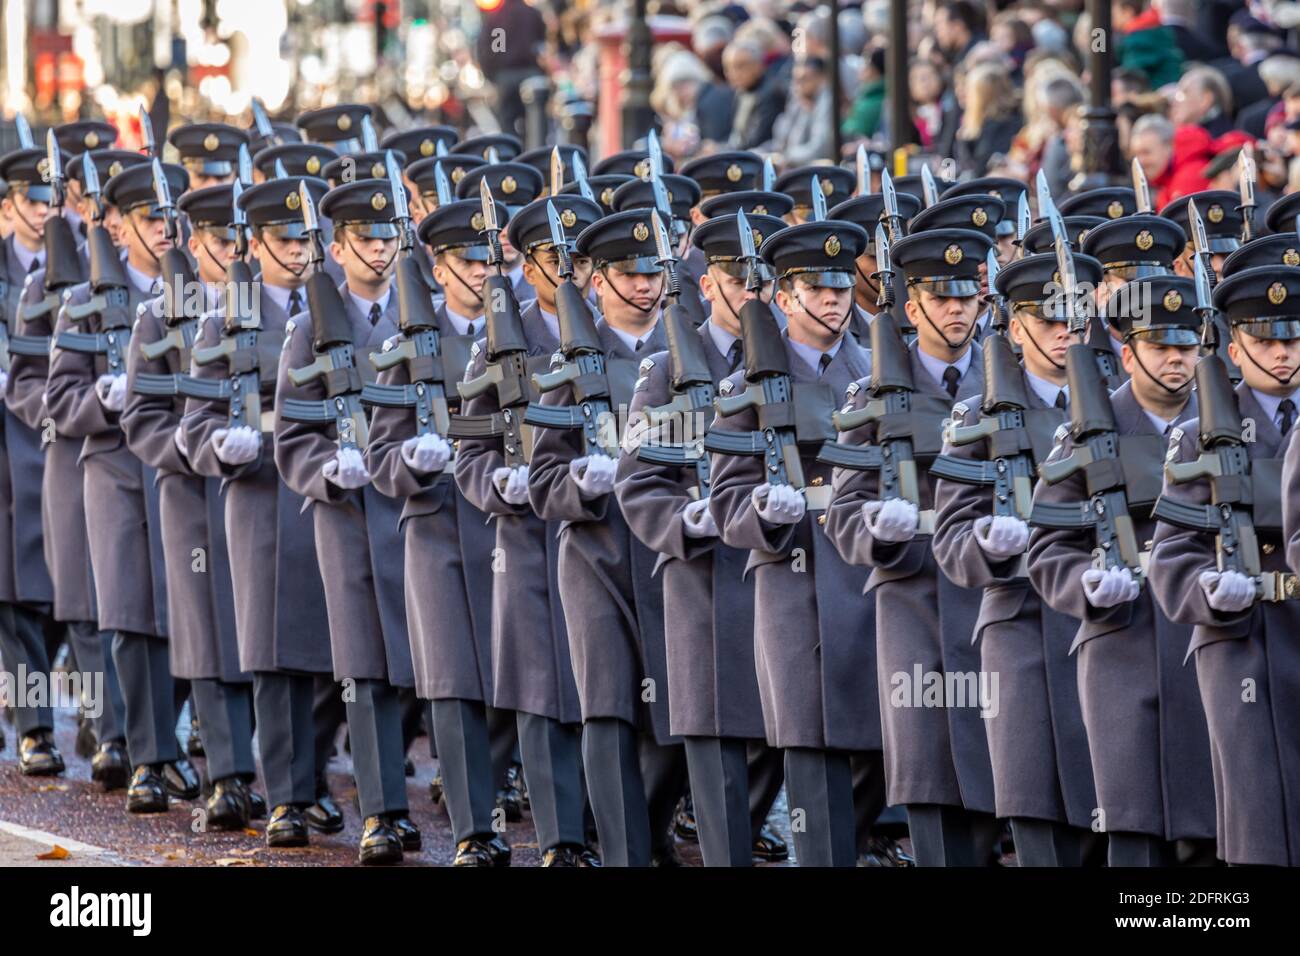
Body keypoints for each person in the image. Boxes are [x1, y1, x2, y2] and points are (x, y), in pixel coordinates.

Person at [706, 214, 890, 867]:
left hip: (870, 578)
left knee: (881, 746)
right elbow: (726, 500)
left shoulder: (881, 375)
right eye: (817, 289)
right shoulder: (747, 385)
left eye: (841, 287)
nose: (834, 300)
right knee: (810, 749)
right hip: (794, 582)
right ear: (784, 299)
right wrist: (763, 511)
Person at [616, 212, 792, 866]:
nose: (752, 293)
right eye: (738, 280)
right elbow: (639, 478)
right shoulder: (669, 369)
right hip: (704, 574)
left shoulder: (795, 364)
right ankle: (658, 840)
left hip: (780, 569)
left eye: (762, 282)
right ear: (708, 283)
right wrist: (683, 520)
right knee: (701, 733)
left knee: (779, 732)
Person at [824, 227, 1001, 866]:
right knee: (927, 770)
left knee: (998, 766)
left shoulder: (1006, 381)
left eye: (966, 299)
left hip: (990, 595)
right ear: (912, 306)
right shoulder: (875, 392)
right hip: (912, 594)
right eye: (941, 299)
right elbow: (842, 512)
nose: (956, 311)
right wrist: (879, 528)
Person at [1028, 273, 1217, 866]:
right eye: (1160, 347)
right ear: (1128, 353)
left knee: (1217, 829)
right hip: (1123, 646)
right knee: (1134, 827)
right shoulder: (1089, 429)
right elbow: (1048, 546)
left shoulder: (1225, 424)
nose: (1176, 360)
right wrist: (1085, 582)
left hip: (1211, 644)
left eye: (1186, 347)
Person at [182, 174, 341, 848]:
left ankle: (314, 777)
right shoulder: (225, 318)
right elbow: (194, 423)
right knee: (274, 654)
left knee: (336, 651)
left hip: (327, 491)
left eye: (307, 238)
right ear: (255, 244)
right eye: (285, 239)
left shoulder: (334, 309)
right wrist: (223, 443)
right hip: (260, 495)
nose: (299, 251)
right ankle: (285, 796)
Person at [931, 251, 1103, 866]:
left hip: (1105, 627)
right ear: (1015, 326)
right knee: (1035, 807)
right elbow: (950, 539)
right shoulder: (980, 416)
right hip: (1021, 627)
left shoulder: (1112, 405)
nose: (1063, 334)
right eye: (1048, 321)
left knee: (1112, 810)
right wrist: (986, 542)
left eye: (1073, 321)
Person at [526, 209, 687, 866]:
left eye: (652, 273)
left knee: (680, 712)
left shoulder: (689, 355)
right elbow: (542, 482)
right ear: (598, 280)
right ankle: (623, 851)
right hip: (598, 554)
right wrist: (580, 482)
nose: (644, 286)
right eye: (629, 274)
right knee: (610, 708)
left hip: (675, 554)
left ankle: (647, 832)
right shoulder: (573, 363)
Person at [455, 192, 606, 867]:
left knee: (603, 686)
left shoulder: (614, 331)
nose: (570, 271)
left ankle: (611, 824)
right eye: (554, 258)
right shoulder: (501, 335)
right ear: (529, 263)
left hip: (599, 532)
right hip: (525, 534)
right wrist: (499, 485)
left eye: (582, 258)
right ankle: (560, 838)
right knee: (542, 688)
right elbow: (469, 448)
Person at [273, 177, 421, 865]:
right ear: (337, 248)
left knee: (423, 667)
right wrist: (329, 469)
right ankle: (382, 813)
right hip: (348, 513)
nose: (380, 249)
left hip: (415, 508)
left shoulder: (420, 314)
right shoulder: (311, 326)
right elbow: (291, 436)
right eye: (366, 239)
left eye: (389, 237)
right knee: (364, 665)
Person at [46, 161, 202, 812]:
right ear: (115, 226)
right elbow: (59, 400)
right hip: (113, 467)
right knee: (130, 614)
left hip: (177, 466)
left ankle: (174, 741)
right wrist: (104, 400)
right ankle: (147, 755)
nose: (164, 230)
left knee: (187, 609)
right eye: (148, 218)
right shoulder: (85, 300)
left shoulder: (196, 296)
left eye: (171, 217)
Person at [364, 196, 514, 867]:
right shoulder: (409, 342)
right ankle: (473, 827)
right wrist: (412, 460)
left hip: (512, 526)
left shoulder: (524, 332)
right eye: (468, 261)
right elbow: (380, 455)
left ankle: (506, 799)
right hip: (439, 524)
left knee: (517, 682)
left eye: (490, 259)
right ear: (439, 266)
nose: (482, 271)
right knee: (452, 685)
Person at [122, 181, 262, 829]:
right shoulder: (161, 315)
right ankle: (228, 777)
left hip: (255, 486)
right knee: (206, 631)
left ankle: (277, 772)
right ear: (193, 242)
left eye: (240, 239)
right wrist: (187, 445)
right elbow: (140, 416)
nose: (232, 251)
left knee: (255, 629)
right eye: (220, 240)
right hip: (191, 492)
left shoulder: (260, 308)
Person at [1156, 265, 1300, 866]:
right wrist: (1208, 588)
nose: (1283, 354)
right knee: (1260, 820)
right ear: (1234, 348)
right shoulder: (1200, 435)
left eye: (1293, 338)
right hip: (1245, 642)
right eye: (1265, 340)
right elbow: (1171, 554)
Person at [0, 142, 63, 777]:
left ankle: (102, 723)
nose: (43, 212)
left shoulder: (77, 262)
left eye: (50, 201)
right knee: (12, 597)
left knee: (62, 596)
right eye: (32, 201)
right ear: (7, 208)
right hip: (3, 452)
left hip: (60, 441)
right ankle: (36, 728)